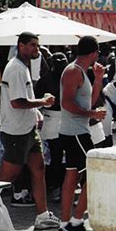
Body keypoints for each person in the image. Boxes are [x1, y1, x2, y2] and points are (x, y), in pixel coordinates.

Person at [0, 32, 60, 229]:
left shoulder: (22, 67)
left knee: (38, 168)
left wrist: (37, 111)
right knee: (6, 178)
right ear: (21, 46)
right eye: (32, 45)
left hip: (28, 129)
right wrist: (43, 102)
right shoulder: (16, 68)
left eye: (37, 45)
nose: (36, 49)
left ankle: (42, 215)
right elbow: (17, 102)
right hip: (16, 132)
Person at [58, 36, 107, 231]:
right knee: (94, 177)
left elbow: (91, 100)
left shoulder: (81, 72)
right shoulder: (72, 71)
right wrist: (92, 115)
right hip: (75, 132)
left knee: (72, 177)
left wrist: (98, 78)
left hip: (76, 132)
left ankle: (65, 225)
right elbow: (66, 103)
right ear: (95, 53)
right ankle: (76, 223)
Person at [34, 52, 69, 201]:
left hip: (69, 119)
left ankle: (65, 187)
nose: (61, 64)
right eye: (58, 61)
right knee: (55, 156)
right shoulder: (45, 80)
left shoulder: (70, 77)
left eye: (63, 61)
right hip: (51, 119)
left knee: (68, 157)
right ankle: (54, 187)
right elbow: (37, 99)